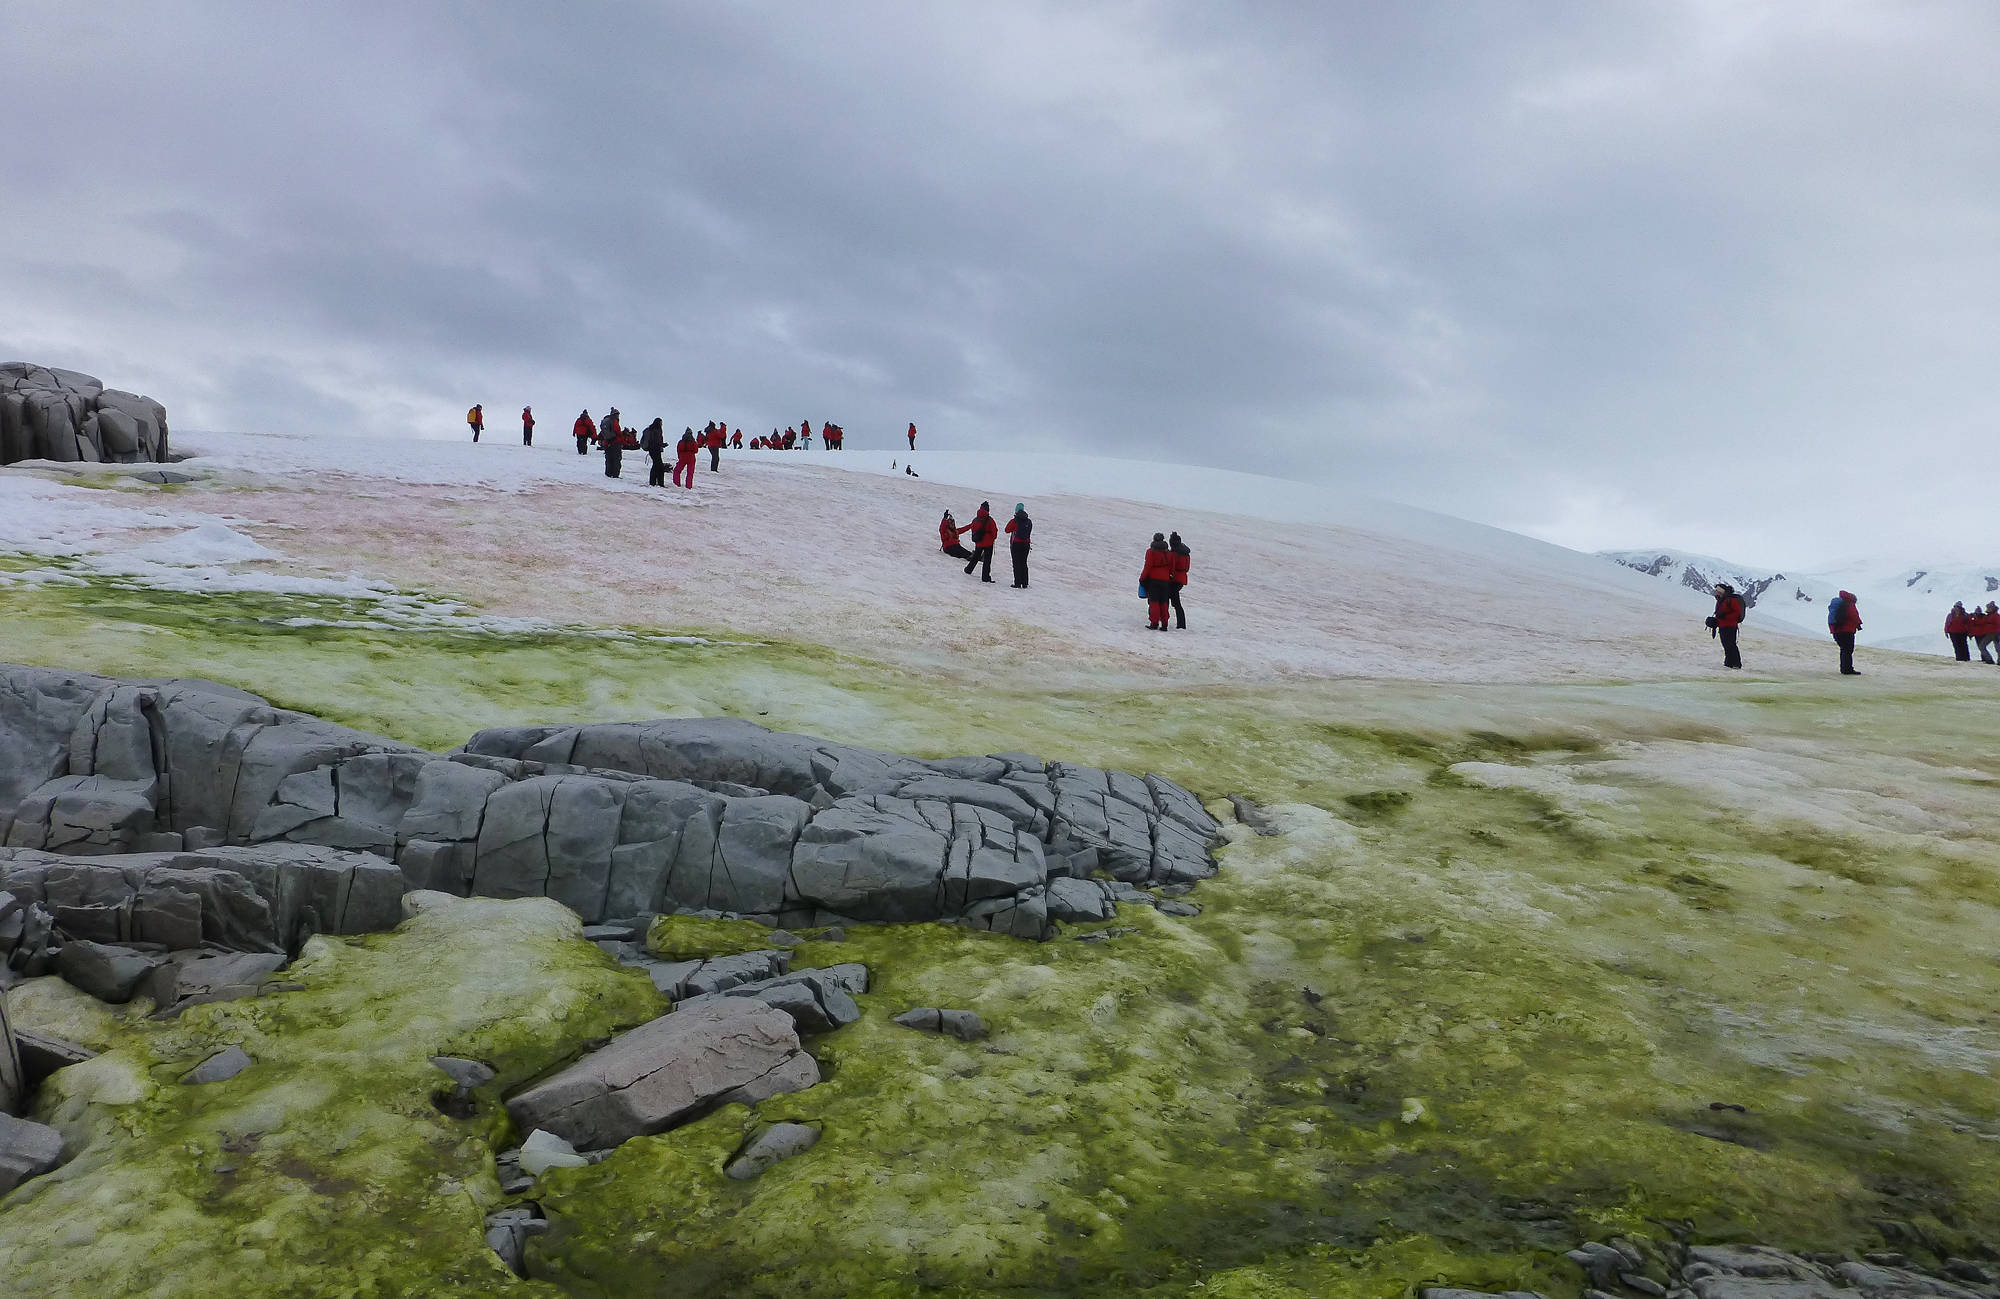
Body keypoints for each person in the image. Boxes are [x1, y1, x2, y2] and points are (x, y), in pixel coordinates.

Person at [1141, 533, 1177, 630]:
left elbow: (1147, 567)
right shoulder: (1169, 553)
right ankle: (1165, 624)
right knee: (1164, 602)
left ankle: (1154, 623)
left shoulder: (1150, 552)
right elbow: (1172, 568)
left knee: (1154, 602)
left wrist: (1142, 578)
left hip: (1153, 580)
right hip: (1165, 581)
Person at [1706, 581, 1745, 669]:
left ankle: (1735, 663)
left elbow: (1737, 613)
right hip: (1724, 626)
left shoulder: (1730, 600)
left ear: (1721, 591)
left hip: (1730, 626)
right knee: (1727, 645)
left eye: (1717, 590)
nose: (1715, 592)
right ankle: (1730, 662)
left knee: (1730, 645)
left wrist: (1724, 617)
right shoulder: (1722, 600)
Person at [1827, 589, 1862, 675]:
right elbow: (1853, 615)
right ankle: (1847, 669)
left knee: (1844, 649)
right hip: (1847, 630)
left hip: (1837, 630)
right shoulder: (1849, 604)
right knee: (1848, 650)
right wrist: (1859, 624)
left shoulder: (1841, 603)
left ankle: (1844, 668)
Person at [964, 502, 998, 581]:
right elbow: (994, 531)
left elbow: (973, 529)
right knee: (987, 560)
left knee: (976, 556)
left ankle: (968, 569)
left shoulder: (975, 519)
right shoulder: (990, 520)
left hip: (979, 542)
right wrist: (992, 538)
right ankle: (985, 577)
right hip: (988, 543)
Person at [1167, 532, 1191, 629]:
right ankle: (1181, 624)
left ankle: (1163, 620)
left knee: (1171, 600)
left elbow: (1171, 568)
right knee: (1176, 602)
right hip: (1182, 579)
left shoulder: (1174, 553)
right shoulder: (1186, 553)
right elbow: (1187, 568)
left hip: (1174, 579)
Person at [1004, 503, 1032, 588]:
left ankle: (1017, 583)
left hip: (1016, 544)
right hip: (1026, 544)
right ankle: (1025, 583)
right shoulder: (1029, 521)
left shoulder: (1014, 521)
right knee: (1024, 563)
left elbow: (1007, 530)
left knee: (1016, 563)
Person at [641, 417, 667, 487]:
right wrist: (662, 445)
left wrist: (661, 445)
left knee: (656, 465)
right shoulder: (655, 430)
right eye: (661, 423)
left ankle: (654, 482)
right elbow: (656, 441)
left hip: (653, 449)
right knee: (659, 466)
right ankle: (658, 483)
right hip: (655, 449)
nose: (661, 424)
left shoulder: (652, 429)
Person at [599, 409, 623, 478]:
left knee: (609, 459)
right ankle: (615, 474)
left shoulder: (606, 421)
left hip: (607, 443)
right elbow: (617, 431)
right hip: (615, 443)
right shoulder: (614, 421)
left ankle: (608, 473)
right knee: (616, 459)